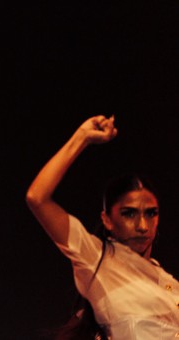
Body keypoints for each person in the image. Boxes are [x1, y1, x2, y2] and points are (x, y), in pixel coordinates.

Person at [26, 115, 179, 338]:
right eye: (129, 214)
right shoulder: (97, 259)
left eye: (151, 213)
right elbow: (37, 198)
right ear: (107, 219)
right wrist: (82, 137)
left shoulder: (169, 283)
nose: (143, 225)